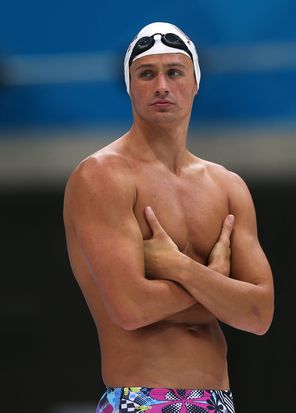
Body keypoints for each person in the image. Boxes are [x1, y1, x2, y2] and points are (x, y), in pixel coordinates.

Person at [63, 22, 274, 413]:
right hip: (143, 399)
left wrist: (180, 268)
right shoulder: (102, 176)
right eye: (147, 74)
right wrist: (220, 285)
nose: (161, 85)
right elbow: (131, 309)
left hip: (219, 401)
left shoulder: (227, 186)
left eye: (174, 72)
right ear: (130, 86)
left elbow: (260, 314)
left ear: (195, 83)